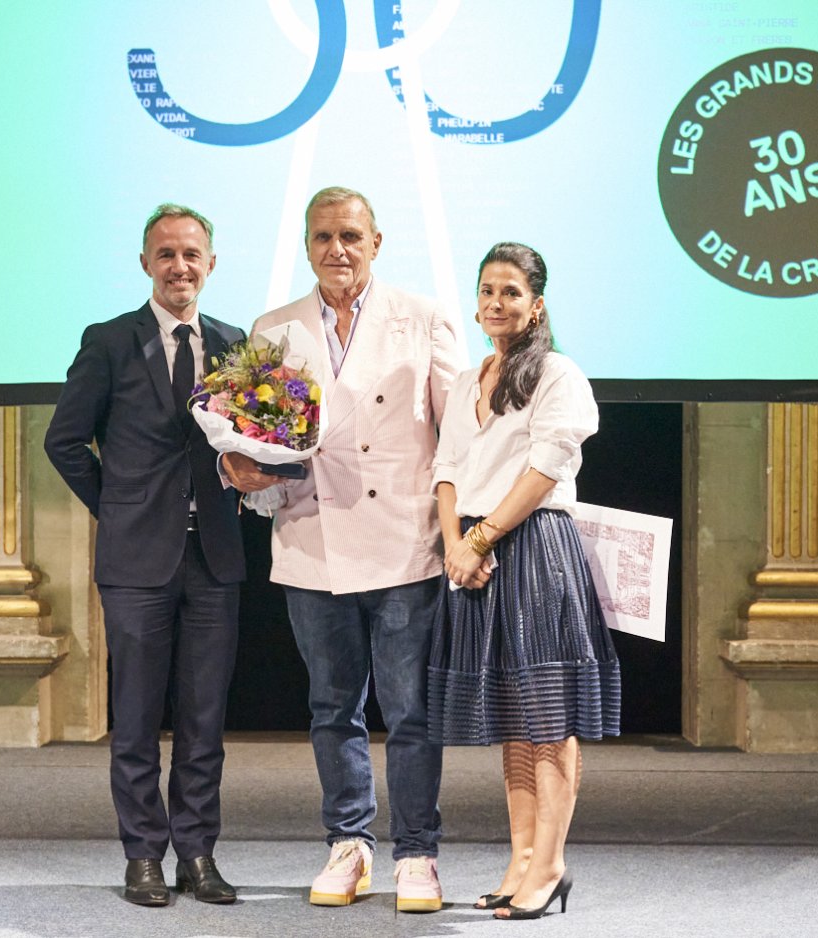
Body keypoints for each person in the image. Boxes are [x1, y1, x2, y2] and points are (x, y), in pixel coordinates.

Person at [222, 186, 464, 912]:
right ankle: (349, 843)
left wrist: (464, 532)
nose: (338, 249)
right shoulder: (274, 328)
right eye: (324, 236)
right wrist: (238, 466)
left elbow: (457, 436)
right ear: (306, 245)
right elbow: (254, 435)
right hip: (312, 538)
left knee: (410, 710)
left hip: (406, 542)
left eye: (351, 236)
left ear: (376, 243)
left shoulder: (424, 318)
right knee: (332, 706)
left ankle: (416, 853)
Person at [44, 204, 246, 908]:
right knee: (134, 718)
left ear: (210, 263)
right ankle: (143, 857)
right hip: (135, 563)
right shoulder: (108, 341)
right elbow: (64, 441)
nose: (179, 266)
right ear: (145, 264)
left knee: (204, 722)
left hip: (214, 557)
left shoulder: (235, 345)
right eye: (166, 254)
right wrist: (117, 505)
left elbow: (245, 440)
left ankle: (198, 854)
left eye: (191, 254)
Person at [428, 242, 621, 920]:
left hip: (534, 547)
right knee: (514, 717)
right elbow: (446, 470)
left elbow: (545, 469)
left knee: (548, 716)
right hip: (475, 554)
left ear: (535, 304)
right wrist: (455, 544)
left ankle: (551, 864)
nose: (495, 302)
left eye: (510, 291)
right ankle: (520, 860)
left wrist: (481, 537)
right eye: (487, 290)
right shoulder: (467, 379)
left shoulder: (558, 374)